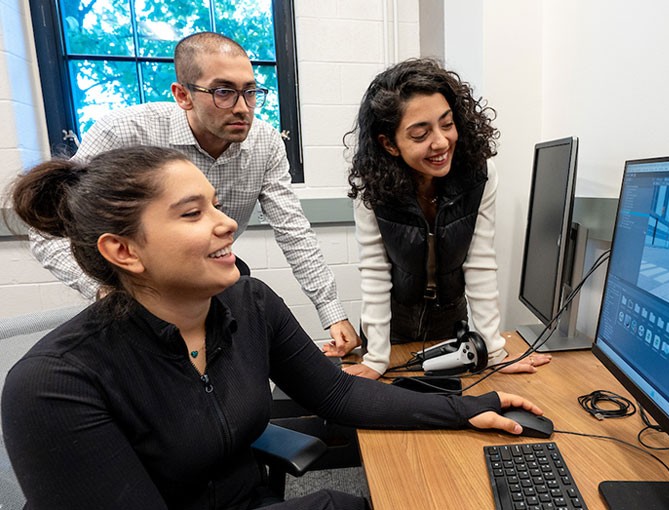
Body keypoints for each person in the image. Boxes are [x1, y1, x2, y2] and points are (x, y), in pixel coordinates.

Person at [2, 146, 543, 509]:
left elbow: (337, 393)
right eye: (192, 213)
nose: (228, 222)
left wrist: (468, 408)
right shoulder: (54, 384)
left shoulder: (248, 302)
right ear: (123, 251)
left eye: (216, 204)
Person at [28, 31, 360, 353]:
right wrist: (108, 291)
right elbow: (46, 232)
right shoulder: (125, 132)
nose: (243, 107)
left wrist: (331, 311)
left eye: (250, 91)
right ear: (182, 95)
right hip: (131, 289)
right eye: (223, 92)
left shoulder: (265, 141)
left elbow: (294, 232)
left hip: (206, 279)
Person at [336, 58, 552, 379]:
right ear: (389, 144)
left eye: (447, 124)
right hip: (393, 326)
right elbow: (375, 272)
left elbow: (479, 263)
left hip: (452, 323)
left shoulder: (480, 175)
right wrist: (376, 358)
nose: (441, 142)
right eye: (421, 134)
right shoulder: (373, 186)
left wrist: (493, 350)